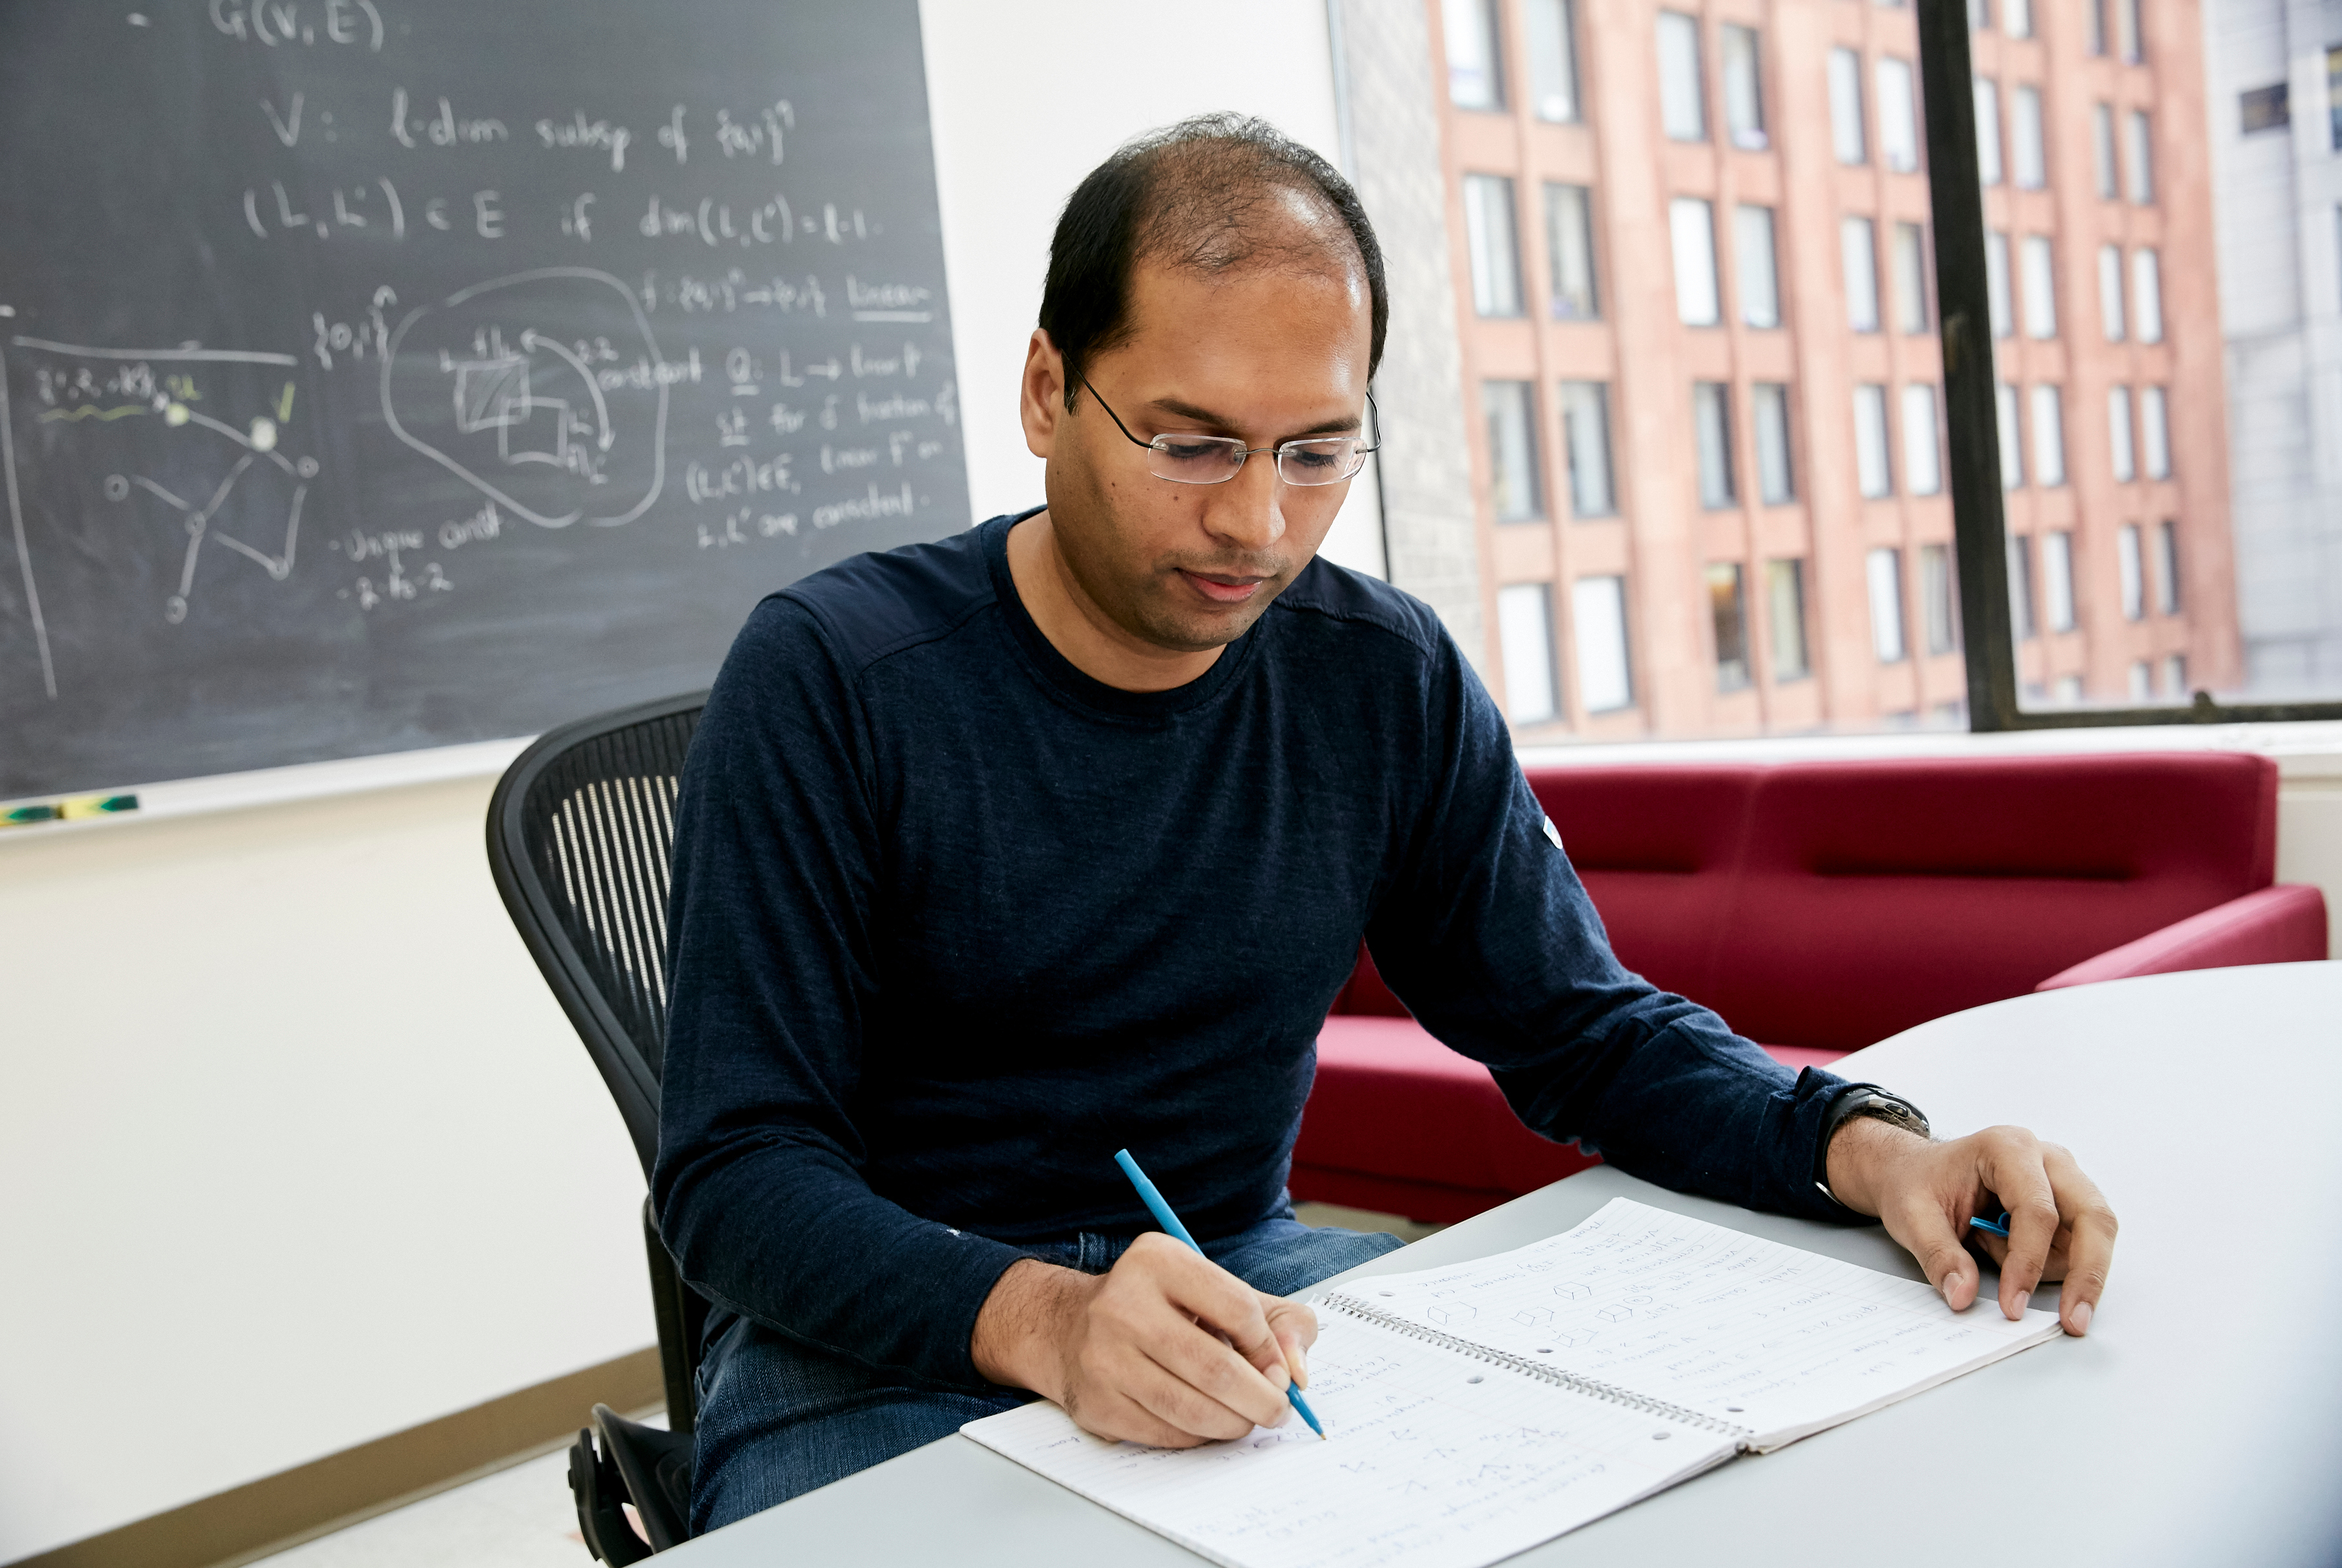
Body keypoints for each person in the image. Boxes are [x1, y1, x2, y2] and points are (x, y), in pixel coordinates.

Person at [656, 114, 2118, 1534]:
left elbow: (1582, 1031)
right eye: (1192, 444)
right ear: (1048, 390)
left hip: (1250, 1288)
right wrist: (1049, 1318)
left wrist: (1872, 1149)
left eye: (1314, 454)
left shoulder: (1382, 675)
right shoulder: (834, 677)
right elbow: (734, 1176)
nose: (1258, 526)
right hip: (872, 1348)